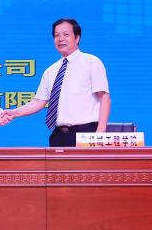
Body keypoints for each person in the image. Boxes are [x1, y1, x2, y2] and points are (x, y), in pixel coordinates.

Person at [6, 18, 110, 147]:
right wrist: (14, 113)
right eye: (57, 35)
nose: (60, 39)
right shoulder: (51, 71)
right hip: (58, 135)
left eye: (66, 34)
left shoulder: (91, 62)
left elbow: (104, 97)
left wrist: (100, 133)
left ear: (77, 38)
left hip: (86, 133)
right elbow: (38, 102)